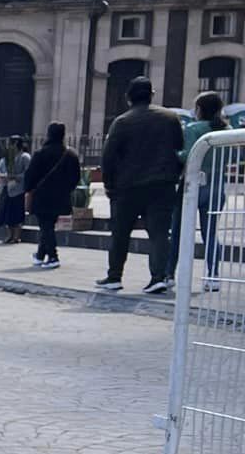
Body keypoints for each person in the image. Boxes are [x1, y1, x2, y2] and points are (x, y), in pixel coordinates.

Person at [97, 75, 185, 294]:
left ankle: (114, 276)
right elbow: (179, 148)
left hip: (128, 186)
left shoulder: (122, 122)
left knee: (120, 232)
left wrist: (109, 184)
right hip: (162, 184)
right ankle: (158, 276)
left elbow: (108, 157)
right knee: (159, 233)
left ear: (128, 98)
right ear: (152, 95)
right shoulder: (170, 118)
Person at [175, 90, 227, 292]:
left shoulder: (192, 129)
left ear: (199, 109)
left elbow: (186, 155)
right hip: (216, 187)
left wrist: (175, 153)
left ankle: (170, 274)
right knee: (211, 233)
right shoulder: (226, 130)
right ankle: (213, 275)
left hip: (192, 186)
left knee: (180, 231)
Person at [22, 122, 78, 271]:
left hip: (42, 197)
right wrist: (66, 190)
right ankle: (40, 255)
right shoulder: (70, 155)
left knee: (46, 226)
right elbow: (75, 178)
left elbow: (30, 175)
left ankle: (53, 256)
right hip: (61, 196)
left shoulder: (41, 154)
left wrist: (28, 189)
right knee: (48, 225)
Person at [0, 137, 31, 243]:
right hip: (6, 187)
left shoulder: (24, 157)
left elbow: (28, 173)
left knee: (17, 212)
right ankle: (9, 234)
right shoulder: (6, 158)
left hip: (18, 189)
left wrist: (15, 176)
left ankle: (17, 236)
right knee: (6, 212)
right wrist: (2, 175)